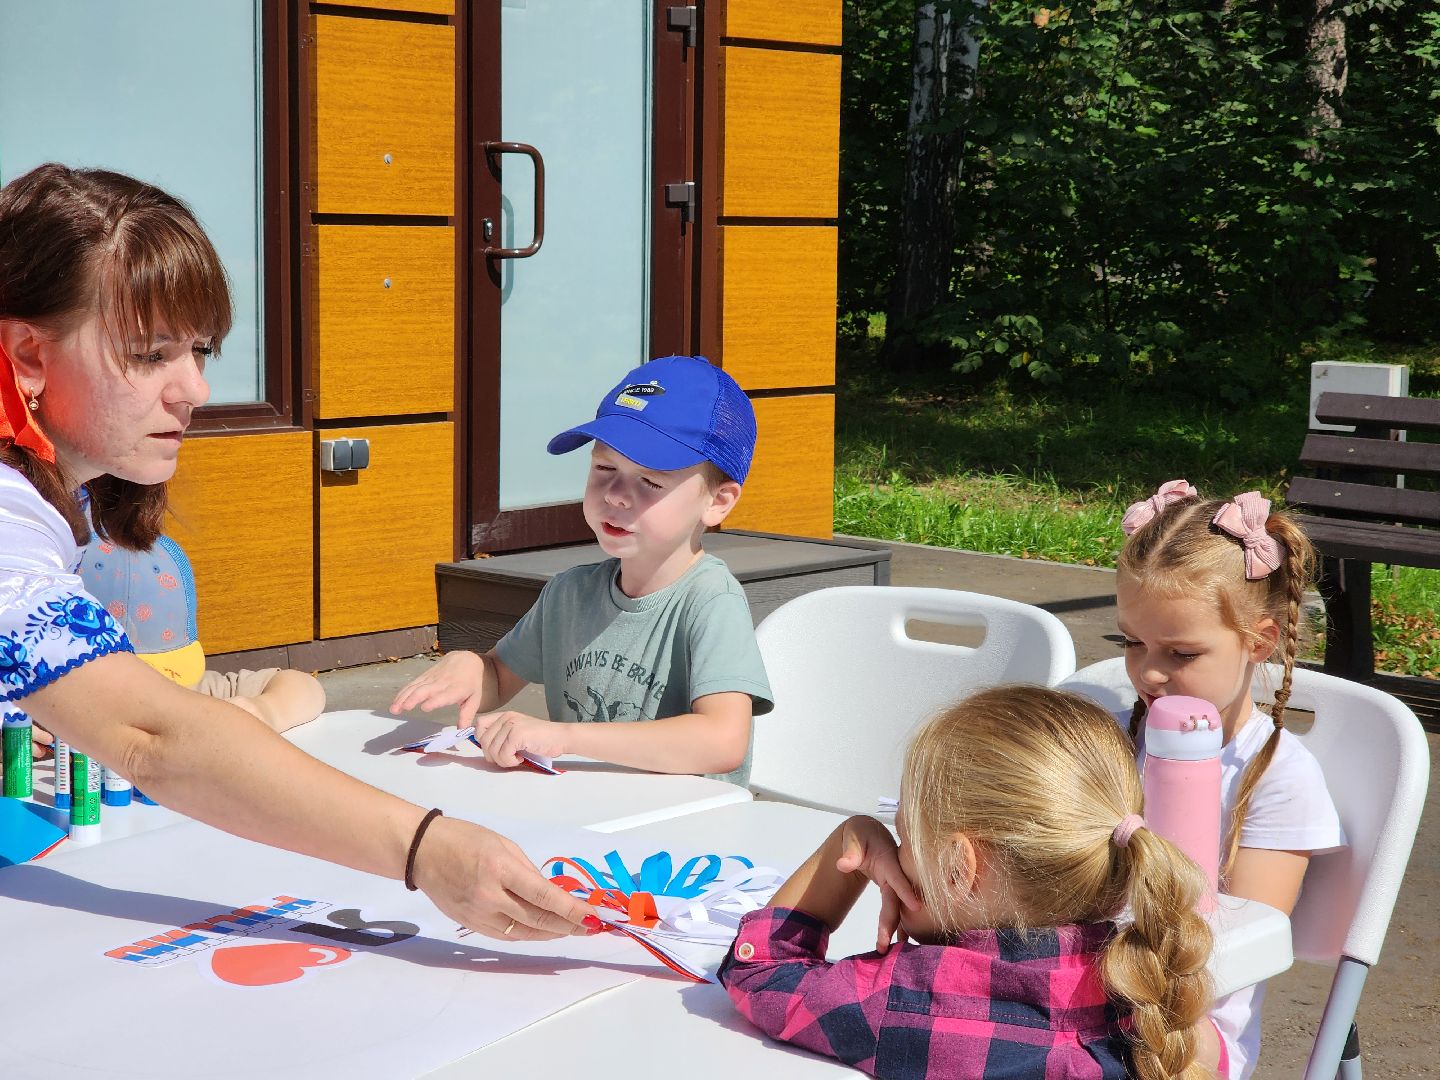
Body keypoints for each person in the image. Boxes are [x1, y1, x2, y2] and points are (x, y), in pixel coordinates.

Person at [0, 162, 595, 941]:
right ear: (30, 356)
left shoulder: (52, 495)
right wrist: (427, 850)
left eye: (199, 350)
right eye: (149, 354)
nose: (195, 390)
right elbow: (153, 739)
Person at [718, 686, 1222, 1080]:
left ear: (960, 868)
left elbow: (759, 972)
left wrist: (846, 843)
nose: (896, 853)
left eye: (904, 834)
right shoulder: (1150, 986)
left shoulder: (903, 996)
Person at [391, 355, 773, 786]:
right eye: (605, 468)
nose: (617, 495)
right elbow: (499, 675)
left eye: (651, 481)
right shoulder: (568, 594)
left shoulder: (709, 601)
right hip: (587, 822)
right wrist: (470, 668)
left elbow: (721, 742)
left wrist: (565, 737)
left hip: (687, 838)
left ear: (718, 502)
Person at [1115, 480, 1345, 1079]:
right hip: (1070, 991)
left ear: (1258, 641)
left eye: (1182, 653)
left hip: (1187, 1031)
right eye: (1132, 643)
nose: (1151, 672)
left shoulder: (1278, 778)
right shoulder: (1105, 742)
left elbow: (1241, 948)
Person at [78, 528, 324, 732]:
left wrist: (267, 710)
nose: (143, 697)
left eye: (156, 676)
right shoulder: (51, 707)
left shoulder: (193, 693)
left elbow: (306, 688)